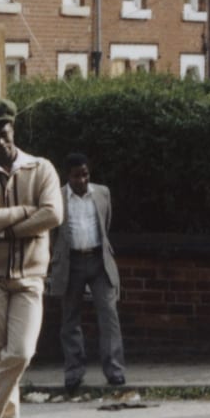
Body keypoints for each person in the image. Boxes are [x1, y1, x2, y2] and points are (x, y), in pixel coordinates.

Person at [0, 98, 63, 418]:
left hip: (29, 276)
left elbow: (54, 214)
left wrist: (6, 232)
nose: (2, 142)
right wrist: (25, 213)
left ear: (14, 129)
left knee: (21, 352)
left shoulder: (40, 169)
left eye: (6, 133)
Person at [52, 152, 125, 398]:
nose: (82, 180)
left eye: (85, 174)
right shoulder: (57, 197)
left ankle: (114, 369)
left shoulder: (102, 193)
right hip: (70, 262)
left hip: (97, 259)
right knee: (70, 318)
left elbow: (107, 224)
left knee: (109, 314)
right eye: (76, 175)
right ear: (68, 176)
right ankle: (74, 372)